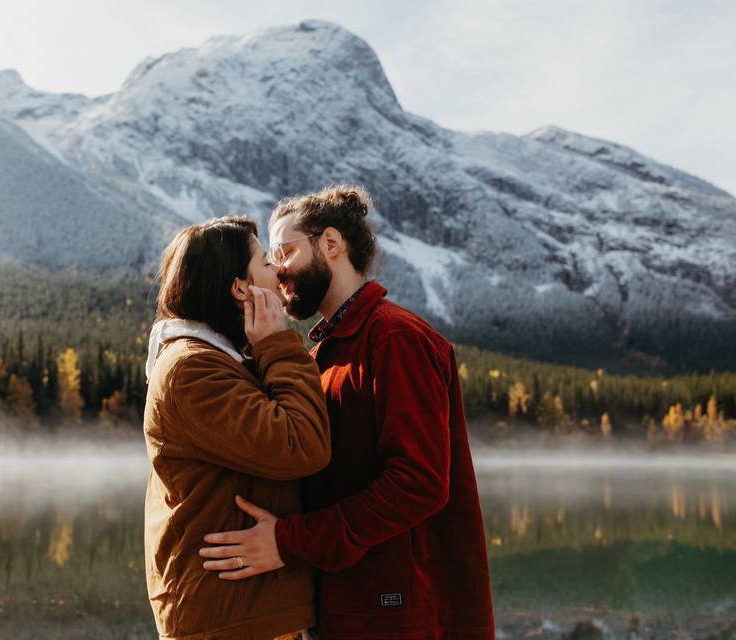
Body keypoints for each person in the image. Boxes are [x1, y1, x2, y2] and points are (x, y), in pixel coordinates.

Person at [200, 187, 495, 639]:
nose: (277, 269)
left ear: (331, 244)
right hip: (352, 608)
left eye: (286, 251)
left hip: (395, 613)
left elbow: (419, 483)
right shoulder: (327, 352)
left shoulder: (396, 339)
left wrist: (288, 541)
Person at [143, 215, 331, 640]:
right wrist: (277, 345)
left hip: (242, 610)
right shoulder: (192, 369)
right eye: (266, 263)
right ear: (240, 288)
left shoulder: (219, 359)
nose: (279, 272)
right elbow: (302, 445)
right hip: (229, 618)